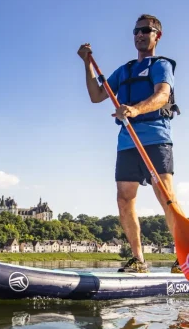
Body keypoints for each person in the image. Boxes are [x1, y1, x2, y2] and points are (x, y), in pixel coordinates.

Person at [78, 14, 183, 273]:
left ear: (157, 35)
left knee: (165, 197)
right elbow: (96, 96)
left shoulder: (160, 65)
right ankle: (139, 260)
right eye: (136, 31)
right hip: (127, 142)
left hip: (156, 138)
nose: (140, 35)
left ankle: (182, 259)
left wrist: (134, 110)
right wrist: (86, 64)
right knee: (124, 200)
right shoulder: (123, 71)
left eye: (146, 30)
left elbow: (162, 95)